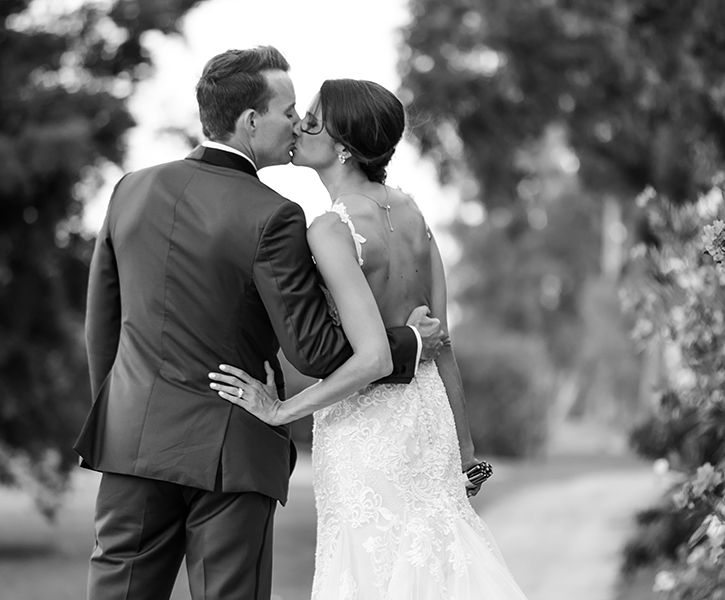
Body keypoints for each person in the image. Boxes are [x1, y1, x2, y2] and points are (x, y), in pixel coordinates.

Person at [74, 47, 445, 600]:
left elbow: (101, 322)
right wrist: (408, 340)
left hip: (131, 441)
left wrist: (123, 411)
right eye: (289, 110)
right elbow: (315, 352)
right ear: (252, 121)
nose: (298, 122)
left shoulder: (131, 189)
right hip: (233, 450)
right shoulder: (274, 215)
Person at [210, 79, 529, 599]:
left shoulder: (330, 230)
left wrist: (279, 412)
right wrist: (465, 449)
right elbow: (441, 345)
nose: (298, 126)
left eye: (312, 119)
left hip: (367, 430)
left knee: (370, 571)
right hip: (429, 420)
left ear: (343, 146)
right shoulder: (411, 210)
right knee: (438, 564)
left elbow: (372, 360)